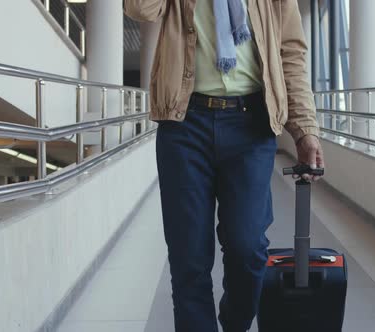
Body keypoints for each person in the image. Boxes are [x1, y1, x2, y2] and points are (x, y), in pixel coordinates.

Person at [125, 0, 325, 331]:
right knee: (189, 260)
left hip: (252, 124)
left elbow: (290, 52)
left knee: (248, 249)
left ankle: (235, 324)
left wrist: (305, 130)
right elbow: (139, 9)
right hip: (184, 123)